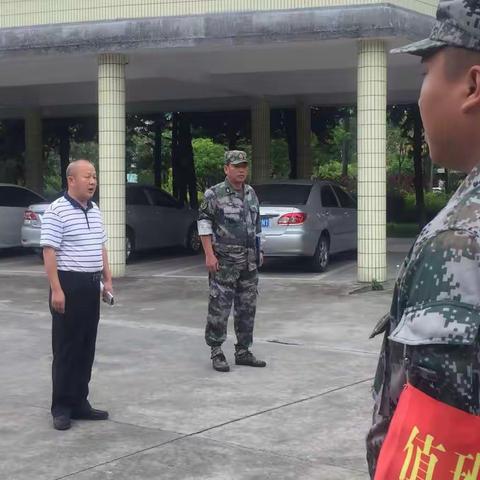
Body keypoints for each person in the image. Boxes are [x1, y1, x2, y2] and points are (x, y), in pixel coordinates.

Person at [366, 0, 480, 476]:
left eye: (425, 72)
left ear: (473, 85)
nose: (419, 96)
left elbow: (444, 448)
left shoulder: (461, 241)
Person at [41, 159, 113, 430]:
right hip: (67, 285)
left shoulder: (95, 210)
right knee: (66, 348)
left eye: (94, 176)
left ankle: (80, 403)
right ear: (71, 180)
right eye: (87, 176)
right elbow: (49, 251)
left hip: (90, 286)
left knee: (86, 346)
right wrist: (57, 289)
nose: (93, 181)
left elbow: (101, 246)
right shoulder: (56, 211)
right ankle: (61, 407)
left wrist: (107, 280)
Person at [198, 150, 266, 372]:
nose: (241, 170)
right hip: (224, 263)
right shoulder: (213, 194)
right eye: (236, 166)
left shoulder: (251, 194)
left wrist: (259, 250)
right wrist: (209, 254)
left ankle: (243, 351)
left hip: (249, 263)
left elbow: (256, 226)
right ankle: (216, 351)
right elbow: (204, 224)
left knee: (247, 309)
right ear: (226, 168)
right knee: (219, 309)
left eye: (244, 166)